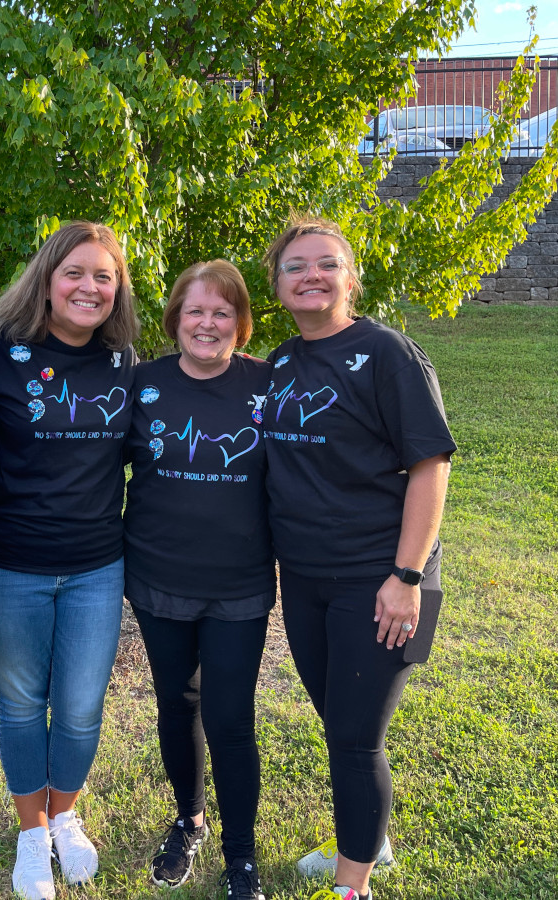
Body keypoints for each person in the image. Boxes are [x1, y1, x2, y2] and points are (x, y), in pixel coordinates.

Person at [260, 216, 456, 900]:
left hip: (385, 580)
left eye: (327, 263)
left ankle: (354, 886)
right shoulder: (284, 361)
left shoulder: (387, 354)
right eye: (296, 267)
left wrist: (405, 579)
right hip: (307, 577)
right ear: (278, 286)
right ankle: (369, 838)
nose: (311, 275)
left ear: (352, 277)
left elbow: (430, 467)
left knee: (353, 736)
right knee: (339, 717)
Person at [0, 221, 139, 900]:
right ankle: (31, 832)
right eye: (74, 272)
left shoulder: (125, 361)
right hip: (12, 568)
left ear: (117, 289)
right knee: (20, 707)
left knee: (82, 709)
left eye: (103, 275)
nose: (88, 287)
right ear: (47, 279)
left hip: (97, 567)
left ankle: (66, 814)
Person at [123, 261, 276, 900]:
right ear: (175, 320)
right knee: (175, 703)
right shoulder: (142, 384)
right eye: (194, 311)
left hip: (239, 583)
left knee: (231, 717)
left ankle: (240, 855)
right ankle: (188, 819)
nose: (207, 323)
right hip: (159, 575)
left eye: (221, 312)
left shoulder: (270, 385)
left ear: (239, 324)